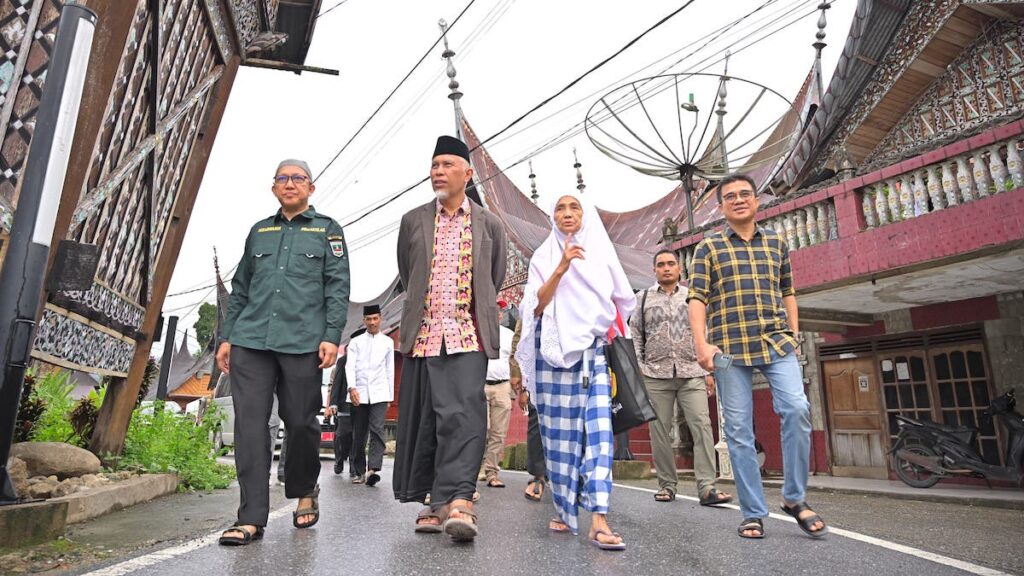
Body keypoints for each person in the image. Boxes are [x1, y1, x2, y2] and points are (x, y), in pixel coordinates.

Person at [215, 159, 350, 546]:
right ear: (274, 188)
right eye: (282, 178)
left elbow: (337, 286)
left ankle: (305, 487)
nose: (290, 184)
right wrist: (228, 338)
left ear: (311, 187)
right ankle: (251, 517)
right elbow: (240, 288)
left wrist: (331, 335)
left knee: (301, 421)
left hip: (302, 341)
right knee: (250, 426)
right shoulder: (260, 232)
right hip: (252, 340)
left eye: (298, 178)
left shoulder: (327, 231)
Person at [687, 173, 827, 540]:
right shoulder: (709, 248)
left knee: (797, 409)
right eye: (729, 196)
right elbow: (697, 299)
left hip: (776, 343)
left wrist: (794, 334)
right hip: (729, 347)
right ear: (721, 207)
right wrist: (701, 345)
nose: (738, 200)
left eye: (744, 194)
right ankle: (752, 511)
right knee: (738, 430)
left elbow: (788, 291)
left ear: (756, 201)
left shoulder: (777, 244)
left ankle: (794, 498)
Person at [392, 135, 507, 542]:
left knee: (465, 418)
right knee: (428, 421)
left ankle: (461, 501)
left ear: (466, 173)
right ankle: (435, 502)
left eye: (446, 165)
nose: (438, 172)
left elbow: (493, 277)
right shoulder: (413, 220)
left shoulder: (489, 224)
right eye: (434, 165)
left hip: (467, 336)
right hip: (424, 336)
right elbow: (409, 273)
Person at [515, 192, 634, 551]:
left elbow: (622, 302)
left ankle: (599, 518)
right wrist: (562, 266)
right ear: (553, 216)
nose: (567, 214)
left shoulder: (602, 253)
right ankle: (566, 511)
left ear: (585, 214)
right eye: (560, 208)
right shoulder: (544, 256)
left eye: (574, 207)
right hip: (552, 356)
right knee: (560, 442)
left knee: (599, 435)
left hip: (593, 354)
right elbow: (536, 306)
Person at [630, 249, 732, 507]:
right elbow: (635, 335)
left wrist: (709, 370)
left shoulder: (693, 297)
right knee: (659, 430)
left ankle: (707, 486)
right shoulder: (642, 299)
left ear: (679, 268)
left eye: (671, 264)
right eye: (661, 264)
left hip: (692, 372)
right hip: (656, 373)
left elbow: (706, 333)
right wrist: (640, 368)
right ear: (654, 270)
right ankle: (666, 485)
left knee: (702, 427)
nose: (666, 268)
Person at [346, 305, 394, 487]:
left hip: (380, 393)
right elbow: (349, 367)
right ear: (364, 321)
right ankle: (358, 470)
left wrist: (389, 396)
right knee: (359, 433)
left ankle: (373, 469)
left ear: (380, 318)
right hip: (358, 392)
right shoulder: (356, 343)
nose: (372, 322)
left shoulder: (387, 342)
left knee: (377, 429)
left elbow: (390, 370)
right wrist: (352, 388)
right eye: (369, 319)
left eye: (375, 318)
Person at [508, 318, 546, 502]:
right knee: (536, 420)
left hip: (575, 363)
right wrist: (516, 371)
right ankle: (538, 475)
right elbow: (520, 337)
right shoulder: (535, 292)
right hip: (537, 367)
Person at [478, 301, 514, 488]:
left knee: (498, 433)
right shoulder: (478, 333)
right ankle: (475, 469)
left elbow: (515, 361)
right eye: (494, 310)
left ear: (501, 315)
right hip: (481, 385)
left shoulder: (509, 335)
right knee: (480, 430)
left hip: (502, 386)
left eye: (499, 311)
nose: (497, 313)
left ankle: (492, 472)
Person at [325, 331, 362, 478]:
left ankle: (354, 464)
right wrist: (332, 403)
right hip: (344, 405)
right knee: (342, 435)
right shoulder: (342, 362)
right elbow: (335, 384)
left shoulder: (365, 361)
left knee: (356, 436)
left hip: (360, 405)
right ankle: (339, 460)